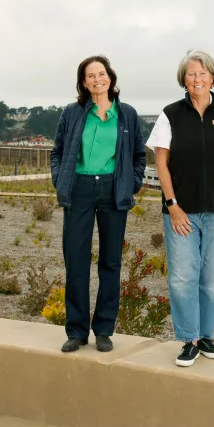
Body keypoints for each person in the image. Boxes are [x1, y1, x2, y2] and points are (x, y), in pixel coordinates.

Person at [146, 49, 214, 367]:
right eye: (191, 74)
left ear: (213, 77)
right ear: (184, 80)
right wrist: (172, 205)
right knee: (181, 277)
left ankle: (206, 336)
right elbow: (161, 161)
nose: (197, 78)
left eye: (202, 73)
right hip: (182, 211)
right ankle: (188, 339)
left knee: (213, 279)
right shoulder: (170, 114)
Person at [50, 55, 146, 353]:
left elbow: (139, 156)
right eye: (90, 76)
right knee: (76, 261)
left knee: (110, 262)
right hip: (78, 189)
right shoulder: (72, 113)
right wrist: (60, 179)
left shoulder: (127, 114)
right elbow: (57, 152)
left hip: (112, 189)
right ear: (83, 82)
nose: (97, 79)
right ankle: (76, 331)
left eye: (101, 73)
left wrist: (131, 183)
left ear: (110, 78)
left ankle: (104, 329)